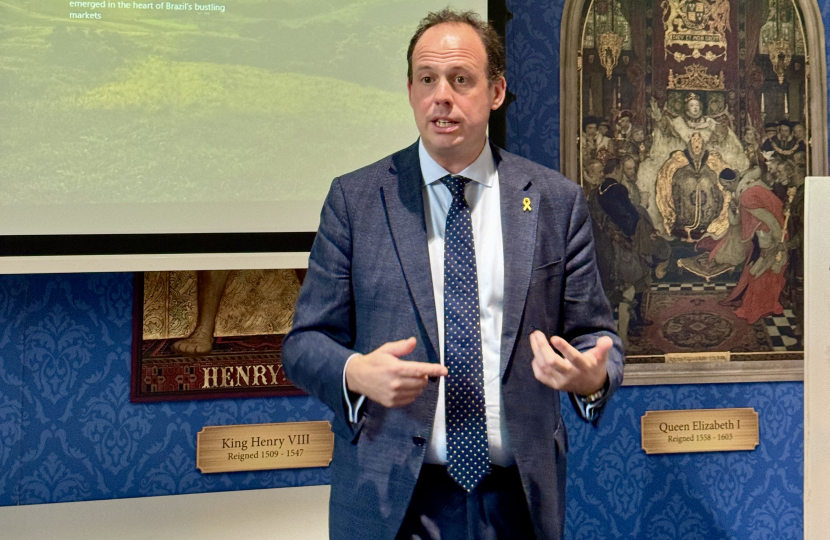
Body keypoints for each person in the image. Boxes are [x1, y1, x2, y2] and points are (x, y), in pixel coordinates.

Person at [282, 9, 624, 540]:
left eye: (460, 79)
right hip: (393, 500)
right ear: (411, 90)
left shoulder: (556, 202)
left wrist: (592, 376)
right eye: (427, 79)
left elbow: (595, 337)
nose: (441, 96)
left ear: (496, 92)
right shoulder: (356, 200)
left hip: (518, 501)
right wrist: (355, 373)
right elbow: (304, 344)